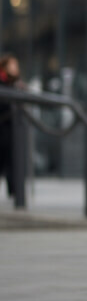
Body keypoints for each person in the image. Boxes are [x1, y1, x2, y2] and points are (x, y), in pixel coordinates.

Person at [0, 54, 25, 198]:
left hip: (12, 127)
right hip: (3, 126)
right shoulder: (3, 82)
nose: (16, 68)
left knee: (13, 159)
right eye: (13, 65)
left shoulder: (16, 83)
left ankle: (14, 191)